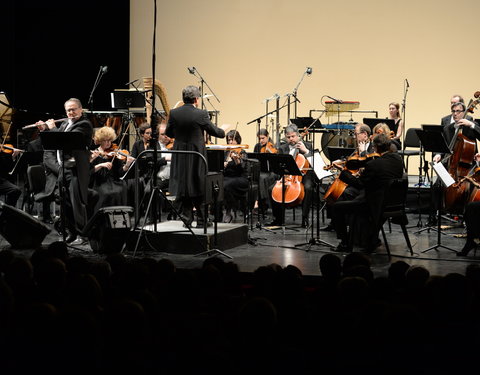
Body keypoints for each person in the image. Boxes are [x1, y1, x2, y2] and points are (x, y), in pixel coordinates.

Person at [165, 85, 229, 228]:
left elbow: (169, 133)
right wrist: (223, 130)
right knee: (198, 185)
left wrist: (182, 136)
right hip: (196, 155)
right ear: (196, 99)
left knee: (184, 185)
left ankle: (187, 219)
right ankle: (202, 220)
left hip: (180, 154)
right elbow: (215, 132)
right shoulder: (201, 114)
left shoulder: (174, 113)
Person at [331, 133, 404, 253]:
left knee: (337, 207)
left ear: (375, 148)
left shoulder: (374, 164)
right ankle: (362, 237)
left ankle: (345, 243)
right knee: (352, 197)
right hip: (391, 202)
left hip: (373, 204)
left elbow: (360, 184)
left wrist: (345, 174)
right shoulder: (397, 159)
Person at [36, 98, 94, 245]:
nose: (71, 112)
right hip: (63, 168)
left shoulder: (84, 124)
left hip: (75, 169)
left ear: (81, 110)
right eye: (68, 110)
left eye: (74, 109)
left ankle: (84, 235)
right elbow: (53, 142)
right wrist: (45, 131)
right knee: (65, 203)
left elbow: (65, 141)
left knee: (77, 203)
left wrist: (52, 128)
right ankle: (72, 232)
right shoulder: (64, 124)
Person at [268, 124, 313, 228]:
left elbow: (313, 161)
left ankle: (305, 218)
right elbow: (278, 165)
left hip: (304, 174)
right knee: (271, 189)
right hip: (288, 176)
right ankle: (278, 219)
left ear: (298, 135)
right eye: (288, 137)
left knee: (308, 188)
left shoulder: (307, 145)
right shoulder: (282, 148)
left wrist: (305, 151)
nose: (291, 139)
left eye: (293, 136)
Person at [89, 126, 129, 212]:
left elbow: (120, 172)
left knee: (122, 189)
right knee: (107, 193)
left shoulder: (114, 153)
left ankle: (119, 218)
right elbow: (90, 171)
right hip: (100, 182)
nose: (108, 143)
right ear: (100, 141)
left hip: (113, 181)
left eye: (109, 140)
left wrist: (127, 165)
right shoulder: (94, 153)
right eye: (105, 141)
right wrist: (101, 164)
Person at [222, 130, 249, 223]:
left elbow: (243, 167)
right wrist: (224, 164)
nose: (230, 142)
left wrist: (237, 160)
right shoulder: (226, 152)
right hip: (228, 177)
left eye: (232, 140)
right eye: (228, 140)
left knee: (226, 185)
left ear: (237, 140)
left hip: (241, 178)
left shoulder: (242, 151)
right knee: (217, 183)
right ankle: (217, 212)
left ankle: (229, 212)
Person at [253, 128, 278, 216]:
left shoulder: (272, 146)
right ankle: (261, 204)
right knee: (257, 176)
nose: (261, 140)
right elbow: (254, 160)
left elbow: (276, 163)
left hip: (272, 171)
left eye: (263, 138)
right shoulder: (257, 146)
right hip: (261, 170)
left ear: (267, 136)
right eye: (259, 138)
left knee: (262, 177)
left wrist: (270, 153)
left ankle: (261, 203)